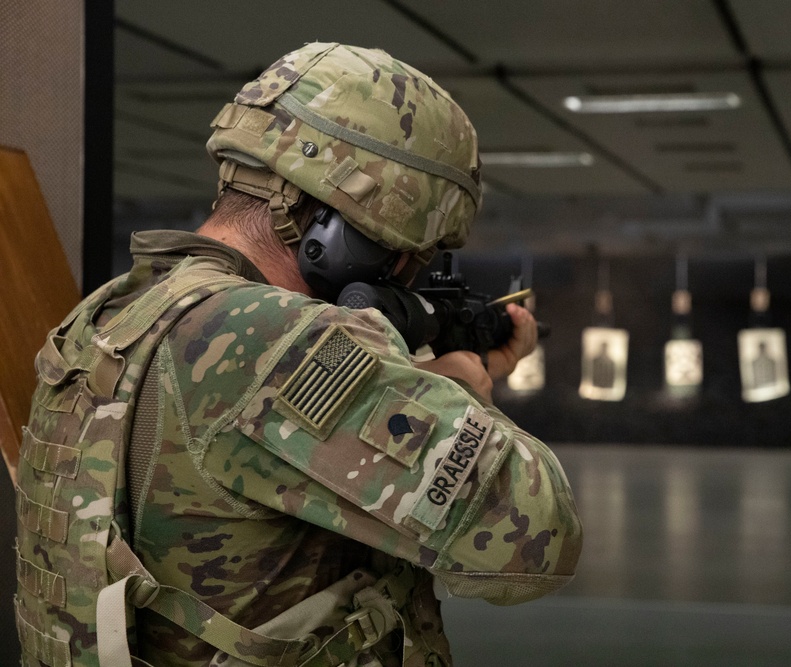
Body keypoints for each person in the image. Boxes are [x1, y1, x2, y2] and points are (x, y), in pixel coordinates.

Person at [14, 43, 582, 667]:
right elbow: (536, 547)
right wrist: (467, 392)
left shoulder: (111, 315)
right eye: (409, 257)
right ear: (354, 234)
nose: (405, 274)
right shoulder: (276, 337)